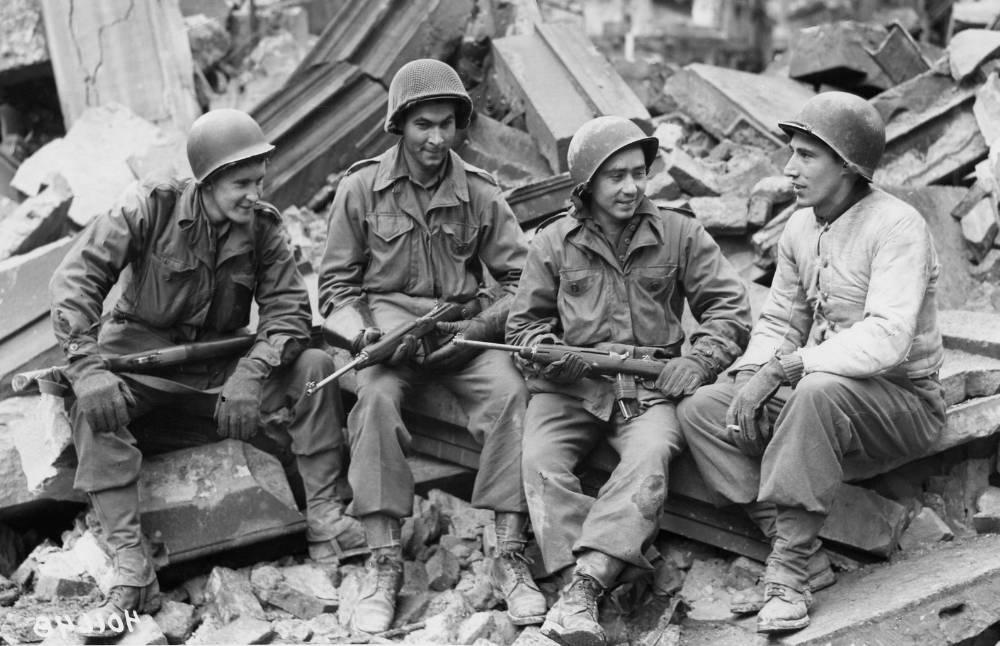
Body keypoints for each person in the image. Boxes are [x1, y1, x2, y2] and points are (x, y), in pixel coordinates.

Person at [50, 109, 363, 637]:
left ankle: (326, 520)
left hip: (219, 372)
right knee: (91, 407)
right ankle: (132, 568)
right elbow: (74, 282)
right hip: (140, 364)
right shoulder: (151, 206)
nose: (253, 193)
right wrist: (86, 366)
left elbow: (288, 313)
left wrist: (251, 374)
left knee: (314, 366)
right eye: (241, 182)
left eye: (258, 181)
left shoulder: (263, 228)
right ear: (208, 179)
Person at [677, 91, 947, 634]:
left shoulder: (898, 226)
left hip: (905, 403)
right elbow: (779, 321)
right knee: (704, 409)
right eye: (791, 152)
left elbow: (887, 338)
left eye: (806, 155)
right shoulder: (801, 226)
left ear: (847, 167)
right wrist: (753, 375)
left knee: (815, 390)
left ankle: (787, 576)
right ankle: (800, 547)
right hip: (821, 392)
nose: (789, 169)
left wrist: (786, 368)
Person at [317, 58, 545, 633]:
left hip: (463, 329)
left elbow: (521, 283)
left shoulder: (480, 191)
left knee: (513, 397)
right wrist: (365, 337)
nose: (436, 138)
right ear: (399, 125)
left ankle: (508, 555)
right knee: (373, 399)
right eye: (424, 125)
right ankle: (384, 560)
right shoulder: (361, 188)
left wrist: (477, 334)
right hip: (388, 329)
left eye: (446, 124)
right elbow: (334, 288)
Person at [506, 115, 752, 646]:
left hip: (648, 387)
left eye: (638, 173)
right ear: (587, 185)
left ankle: (586, 587)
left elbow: (729, 310)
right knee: (540, 462)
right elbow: (523, 328)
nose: (631, 187)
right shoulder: (552, 242)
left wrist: (702, 360)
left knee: (651, 456)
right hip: (571, 389)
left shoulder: (679, 231)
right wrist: (548, 355)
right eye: (615, 176)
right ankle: (595, 588)